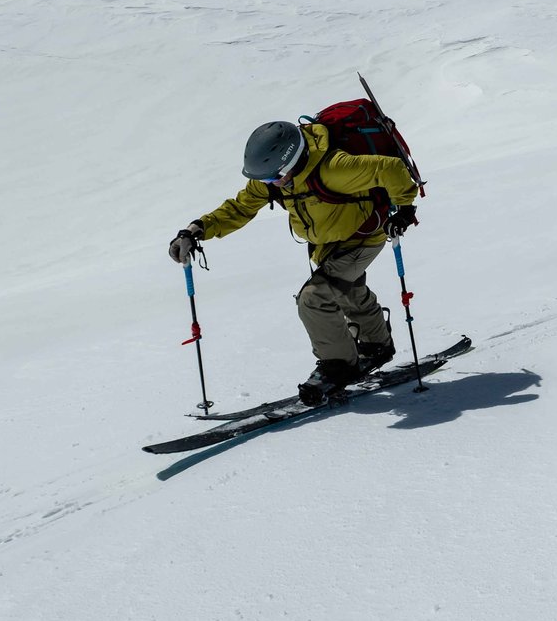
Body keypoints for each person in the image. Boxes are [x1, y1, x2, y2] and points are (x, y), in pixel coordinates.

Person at [170, 117, 420, 405]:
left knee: (314, 298)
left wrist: (403, 208)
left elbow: (389, 168)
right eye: (263, 180)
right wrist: (197, 228)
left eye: (272, 178)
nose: (267, 185)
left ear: (293, 162)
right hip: (329, 242)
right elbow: (241, 207)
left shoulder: (334, 168)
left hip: (364, 236)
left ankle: (338, 366)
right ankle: (376, 344)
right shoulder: (274, 177)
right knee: (344, 288)